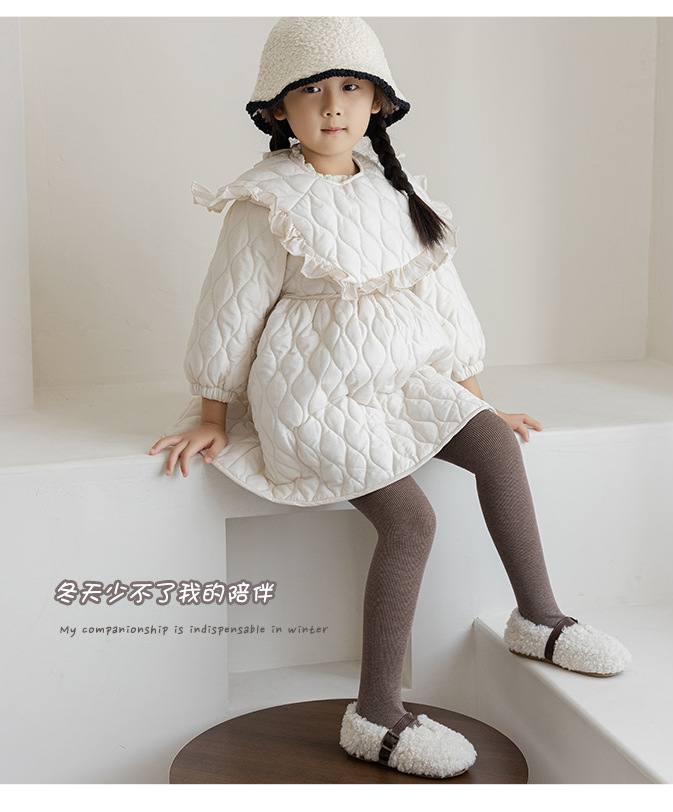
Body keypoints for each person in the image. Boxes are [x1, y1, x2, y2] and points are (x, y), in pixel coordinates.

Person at [150, 17, 630, 779]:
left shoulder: (398, 190)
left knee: (495, 444)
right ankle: (376, 713)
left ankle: (539, 617)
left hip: (400, 375)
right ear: (277, 110)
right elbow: (229, 308)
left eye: (350, 87)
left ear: (378, 102)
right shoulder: (265, 201)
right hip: (316, 389)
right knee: (411, 519)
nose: (331, 105)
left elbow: (445, 301)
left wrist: (474, 399)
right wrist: (213, 413)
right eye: (310, 91)